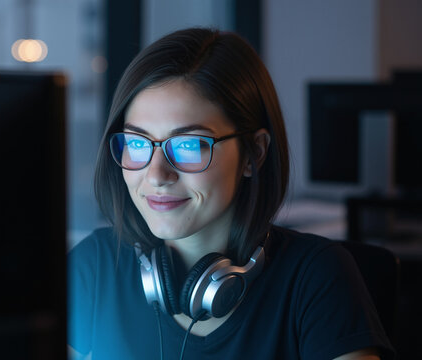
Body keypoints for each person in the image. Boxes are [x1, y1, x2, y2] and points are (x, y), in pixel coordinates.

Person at [67, 28, 394, 360]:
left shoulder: (316, 277)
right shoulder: (95, 267)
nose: (156, 175)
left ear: (254, 153)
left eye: (189, 146)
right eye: (137, 143)